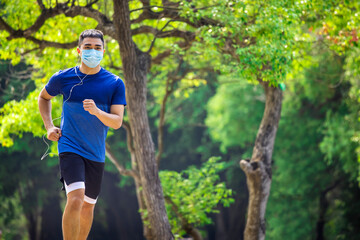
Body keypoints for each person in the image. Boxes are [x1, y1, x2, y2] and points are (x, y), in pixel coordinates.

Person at [38, 29, 126, 240]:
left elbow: (117, 122)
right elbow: (44, 97)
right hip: (70, 146)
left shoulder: (114, 83)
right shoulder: (63, 78)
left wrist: (97, 111)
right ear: (79, 50)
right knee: (76, 198)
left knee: (88, 205)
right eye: (88, 47)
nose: (92, 51)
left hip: (95, 152)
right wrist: (49, 127)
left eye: (97, 48)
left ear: (103, 51)